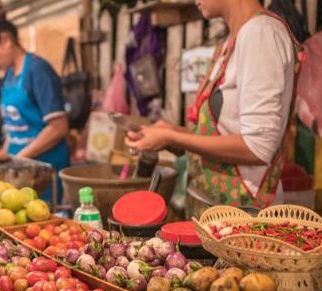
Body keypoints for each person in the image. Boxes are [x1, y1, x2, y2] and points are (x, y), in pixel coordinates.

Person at [125, 0, 303, 216]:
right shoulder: (232, 40)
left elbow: (258, 148)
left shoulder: (260, 34)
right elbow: (226, 134)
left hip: (247, 217)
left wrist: (173, 138)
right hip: (217, 210)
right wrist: (171, 132)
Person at [0, 11, 70, 203]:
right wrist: (3, 154)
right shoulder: (8, 75)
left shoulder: (38, 70)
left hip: (43, 173)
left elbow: (59, 127)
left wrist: (20, 158)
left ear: (6, 40)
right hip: (20, 173)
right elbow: (15, 124)